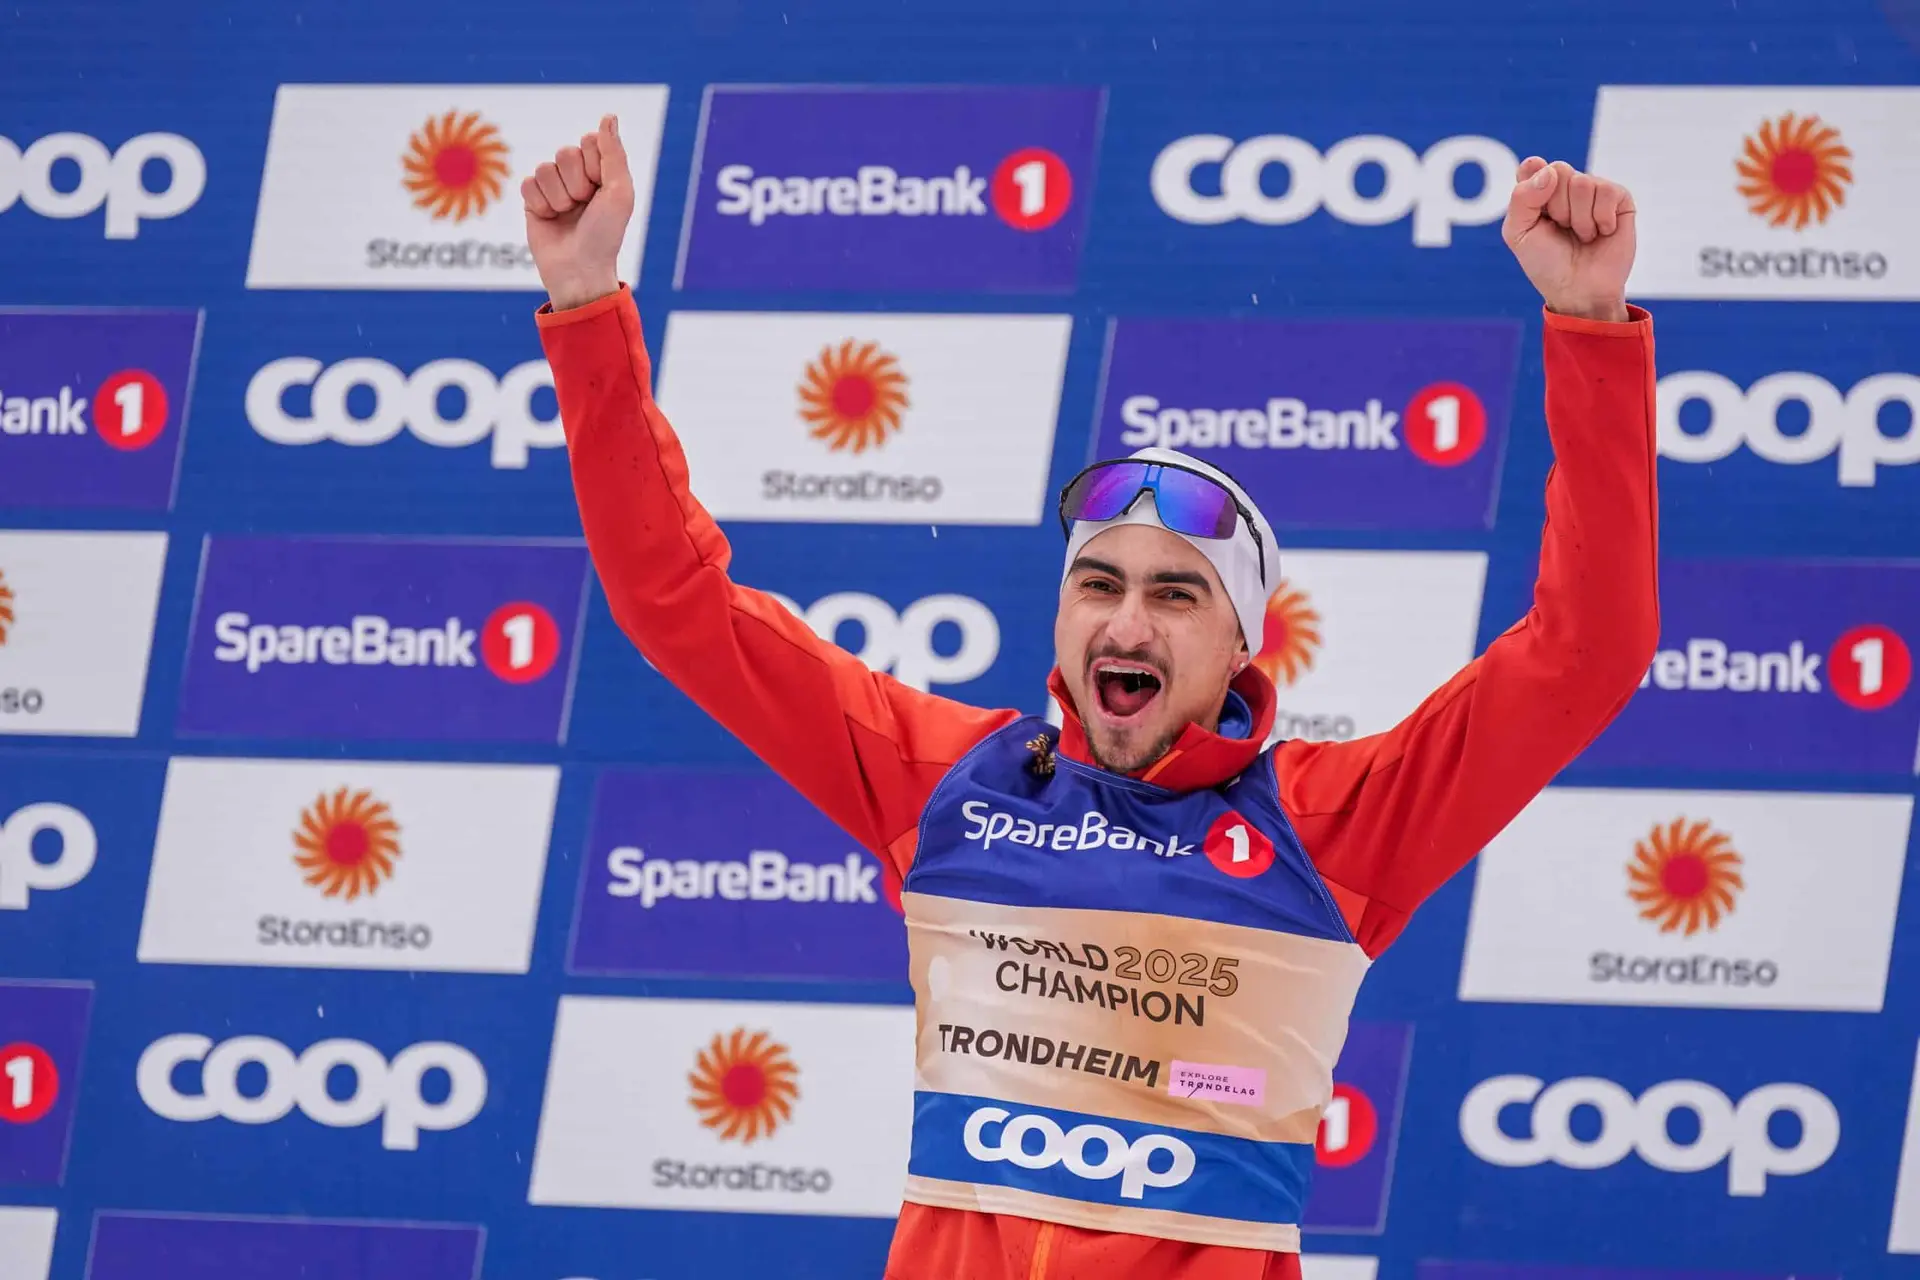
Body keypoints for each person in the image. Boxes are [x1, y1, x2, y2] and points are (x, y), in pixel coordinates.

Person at [521, 115, 1659, 1280]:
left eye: (1176, 594)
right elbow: (679, 606)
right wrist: (585, 297)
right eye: (1099, 584)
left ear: (1240, 646)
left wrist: (1589, 325)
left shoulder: (1332, 824)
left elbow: (1590, 651)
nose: (1126, 622)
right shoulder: (951, 782)